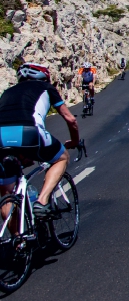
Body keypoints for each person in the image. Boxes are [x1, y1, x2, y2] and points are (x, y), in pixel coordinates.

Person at [0, 63, 79, 220]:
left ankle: (18, 240)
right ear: (45, 77)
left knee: (6, 193)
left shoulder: (7, 92)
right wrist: (75, 141)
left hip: (1, 137)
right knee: (61, 158)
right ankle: (42, 202)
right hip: (29, 132)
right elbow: (70, 119)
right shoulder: (46, 88)